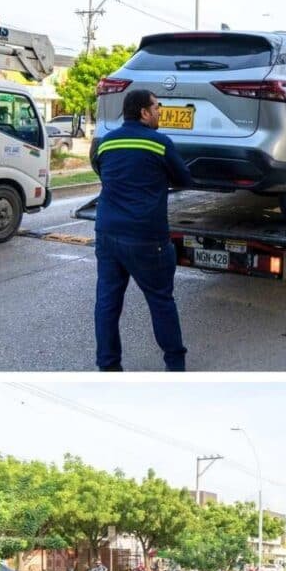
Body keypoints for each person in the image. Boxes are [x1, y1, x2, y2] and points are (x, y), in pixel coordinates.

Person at [90, 88, 194, 372]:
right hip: (147, 238)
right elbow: (184, 179)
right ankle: (175, 367)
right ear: (144, 112)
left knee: (107, 303)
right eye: (157, 107)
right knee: (161, 302)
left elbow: (101, 169)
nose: (160, 112)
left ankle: (108, 368)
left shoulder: (105, 143)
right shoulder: (159, 143)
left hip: (107, 234)